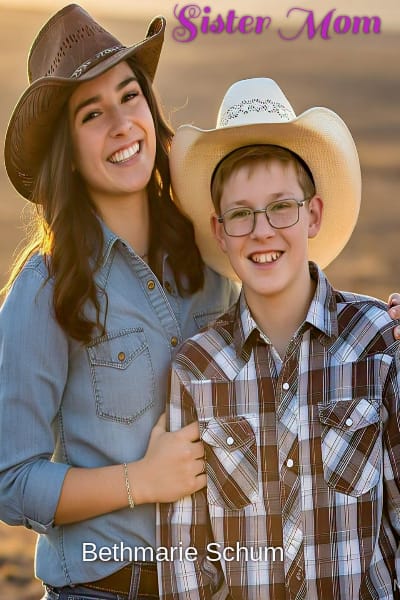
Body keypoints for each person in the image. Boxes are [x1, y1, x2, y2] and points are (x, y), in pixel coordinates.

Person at [0, 5, 239, 599]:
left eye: (130, 96)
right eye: (92, 113)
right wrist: (141, 480)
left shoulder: (211, 256)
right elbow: (11, 480)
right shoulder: (47, 287)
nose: (122, 123)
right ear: (66, 148)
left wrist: (377, 327)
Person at [159, 78, 400, 599]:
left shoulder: (379, 343)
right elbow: (186, 560)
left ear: (313, 215)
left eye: (281, 207)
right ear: (219, 231)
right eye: (241, 214)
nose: (262, 230)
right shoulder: (197, 370)